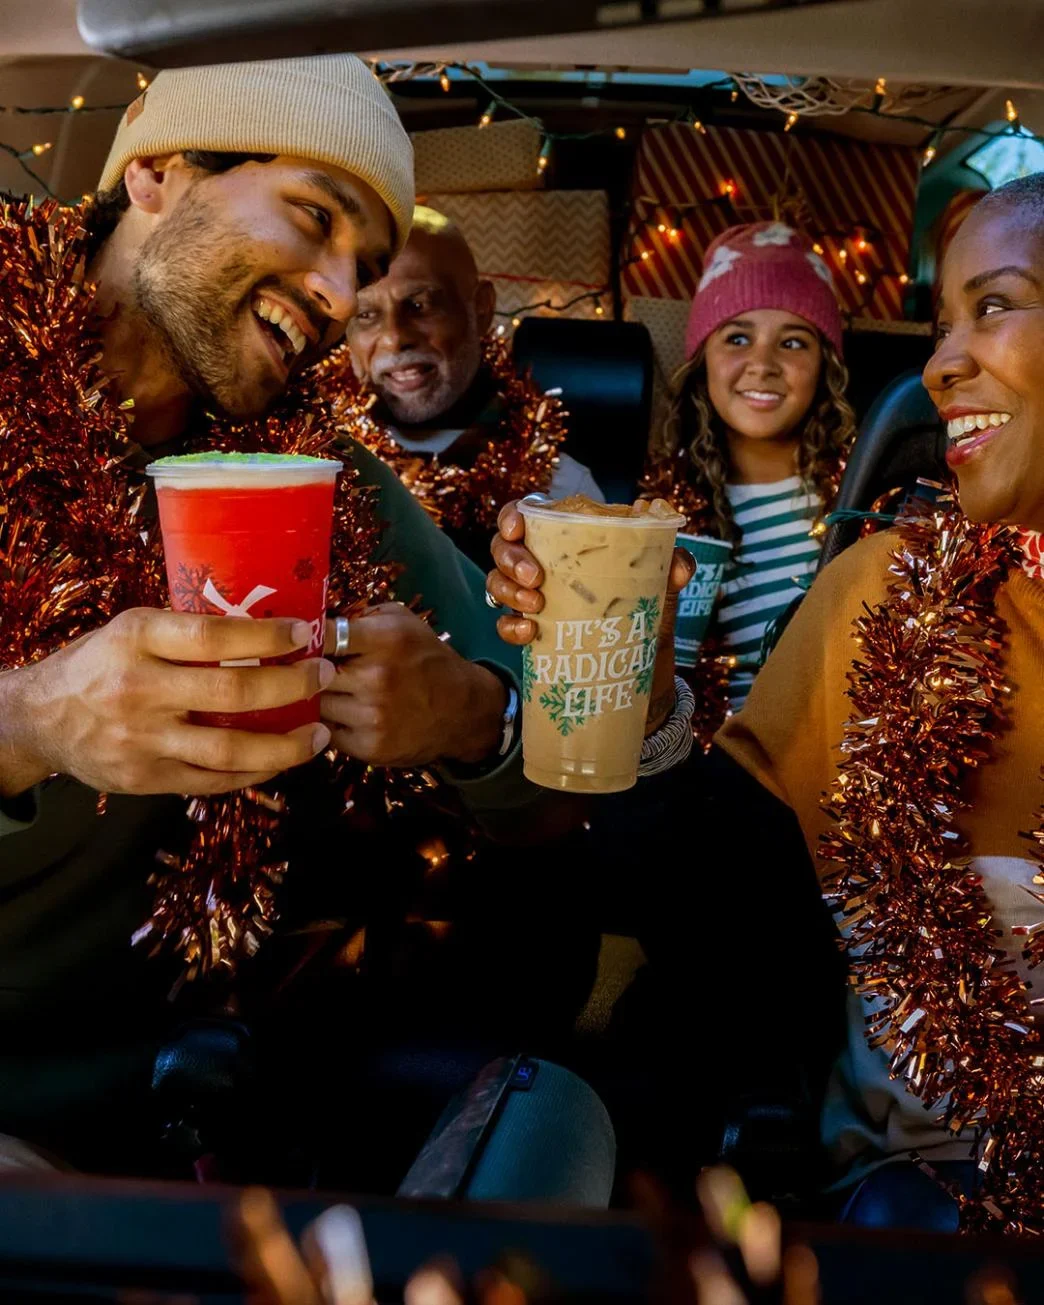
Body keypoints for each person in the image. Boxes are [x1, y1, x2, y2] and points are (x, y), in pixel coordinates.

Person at [0, 54, 556, 1178]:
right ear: (154, 173)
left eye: (366, 264)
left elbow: (549, 733)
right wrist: (30, 722)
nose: (342, 295)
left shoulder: (322, 490)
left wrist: (468, 714)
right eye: (313, 216)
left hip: (171, 1125)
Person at [490, 173, 1044, 1234]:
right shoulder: (883, 593)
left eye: (995, 306)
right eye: (940, 325)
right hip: (912, 1189)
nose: (940, 364)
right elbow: (719, 914)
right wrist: (639, 689)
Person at [645, 221, 856, 746]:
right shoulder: (660, 514)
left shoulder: (867, 501)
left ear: (824, 368)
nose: (762, 364)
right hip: (713, 774)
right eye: (738, 337)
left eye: (793, 342)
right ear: (703, 361)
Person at [325, 205, 605, 566]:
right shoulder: (313, 464)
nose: (394, 337)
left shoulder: (563, 492)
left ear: (482, 309)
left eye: (419, 305)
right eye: (365, 315)